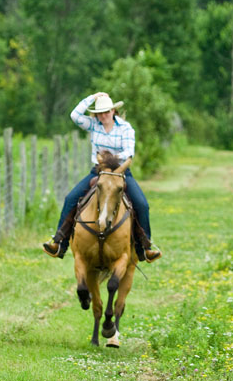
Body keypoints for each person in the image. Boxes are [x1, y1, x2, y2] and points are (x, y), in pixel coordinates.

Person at [42, 92, 161, 262]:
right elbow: (74, 115)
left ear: (113, 111)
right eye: (100, 112)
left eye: (106, 111)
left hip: (121, 171)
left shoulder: (126, 128)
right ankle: (59, 242)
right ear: (96, 114)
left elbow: (129, 152)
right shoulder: (93, 125)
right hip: (98, 171)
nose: (103, 115)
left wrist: (112, 163)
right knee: (71, 198)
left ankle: (145, 247)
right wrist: (93, 97)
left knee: (142, 204)